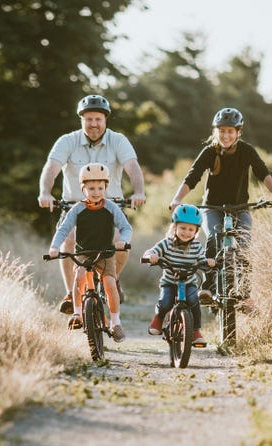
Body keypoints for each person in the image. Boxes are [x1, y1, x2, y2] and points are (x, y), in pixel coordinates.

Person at [39, 94, 146, 314]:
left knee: (121, 241)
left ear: (105, 120)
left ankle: (112, 279)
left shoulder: (118, 140)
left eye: (98, 119)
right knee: (67, 242)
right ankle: (71, 293)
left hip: (110, 204)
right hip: (74, 206)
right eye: (89, 119)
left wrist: (139, 191)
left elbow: (132, 166)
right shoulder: (67, 141)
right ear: (81, 120)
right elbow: (52, 167)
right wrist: (45, 193)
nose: (93, 124)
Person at [168, 107, 272, 305]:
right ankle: (207, 286)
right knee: (214, 238)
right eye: (222, 131)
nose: (226, 135)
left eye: (230, 131)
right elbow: (193, 175)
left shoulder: (246, 151)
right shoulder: (209, 152)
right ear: (216, 132)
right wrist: (177, 199)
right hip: (212, 208)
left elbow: (262, 172)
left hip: (240, 208)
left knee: (245, 245)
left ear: (238, 132)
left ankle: (246, 294)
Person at [48, 162, 133, 342]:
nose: (96, 192)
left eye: (100, 188)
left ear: (106, 187)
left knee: (110, 283)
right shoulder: (77, 209)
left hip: (105, 253)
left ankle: (115, 322)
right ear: (83, 188)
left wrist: (123, 241)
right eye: (91, 188)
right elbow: (63, 230)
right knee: (79, 278)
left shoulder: (111, 207)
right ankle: (78, 314)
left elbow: (126, 227)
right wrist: (55, 247)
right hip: (83, 253)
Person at [143, 205, 215, 347]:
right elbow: (152, 251)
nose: (186, 232)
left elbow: (202, 259)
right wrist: (151, 256)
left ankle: (195, 331)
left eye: (190, 229)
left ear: (196, 231)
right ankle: (159, 318)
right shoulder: (167, 243)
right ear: (175, 227)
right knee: (165, 302)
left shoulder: (196, 246)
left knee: (194, 302)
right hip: (169, 282)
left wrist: (208, 262)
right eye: (182, 228)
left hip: (189, 283)